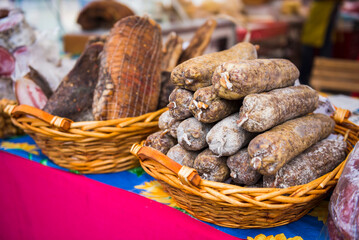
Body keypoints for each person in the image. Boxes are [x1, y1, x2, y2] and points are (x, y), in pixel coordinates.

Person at [300, 0, 342, 85]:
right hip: (319, 11)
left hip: (327, 11)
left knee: (323, 50)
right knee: (309, 49)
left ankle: (321, 83)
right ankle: (305, 80)